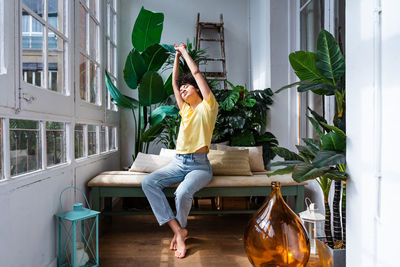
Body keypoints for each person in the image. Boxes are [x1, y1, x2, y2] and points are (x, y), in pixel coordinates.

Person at [141, 43, 219, 259]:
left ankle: (181, 230)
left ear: (197, 88)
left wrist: (184, 51)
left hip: (200, 166)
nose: (183, 90)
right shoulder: (184, 110)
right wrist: (175, 57)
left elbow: (195, 72)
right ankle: (178, 230)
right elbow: (175, 83)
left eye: (187, 87)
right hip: (178, 162)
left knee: (183, 192)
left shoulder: (208, 107)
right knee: (148, 183)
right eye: (182, 88)